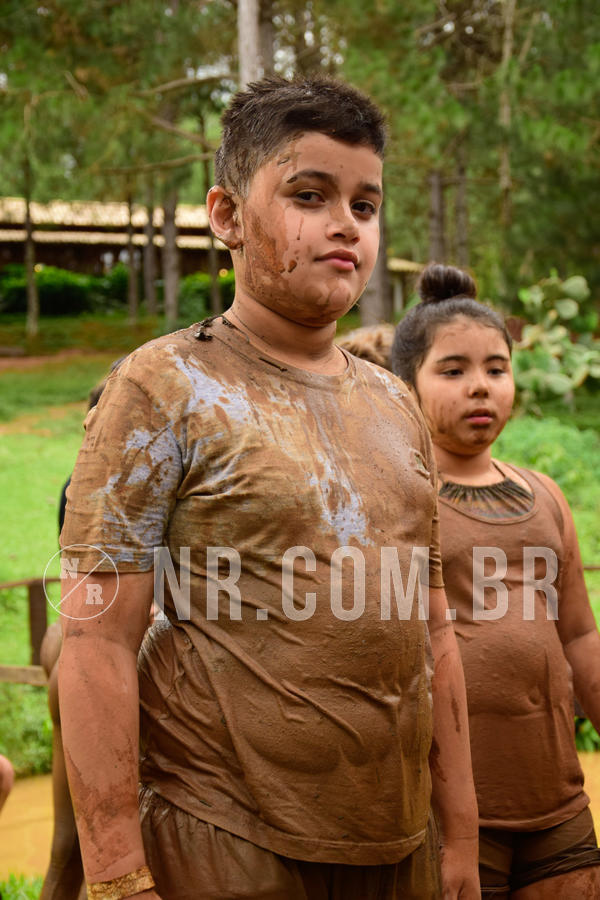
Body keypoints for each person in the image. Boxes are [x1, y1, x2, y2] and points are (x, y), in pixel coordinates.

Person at [58, 76, 479, 900]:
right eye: (309, 194)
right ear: (225, 217)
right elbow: (96, 642)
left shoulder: (395, 401)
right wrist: (114, 874)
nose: (343, 224)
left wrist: (458, 834)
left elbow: (434, 635)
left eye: (365, 204)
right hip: (225, 839)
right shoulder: (163, 385)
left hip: (399, 842)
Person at [390, 262, 600, 899]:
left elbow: (581, 639)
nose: (479, 387)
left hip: (557, 801)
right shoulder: (398, 502)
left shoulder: (547, 497)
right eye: (452, 371)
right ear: (406, 385)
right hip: (443, 816)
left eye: (495, 369)